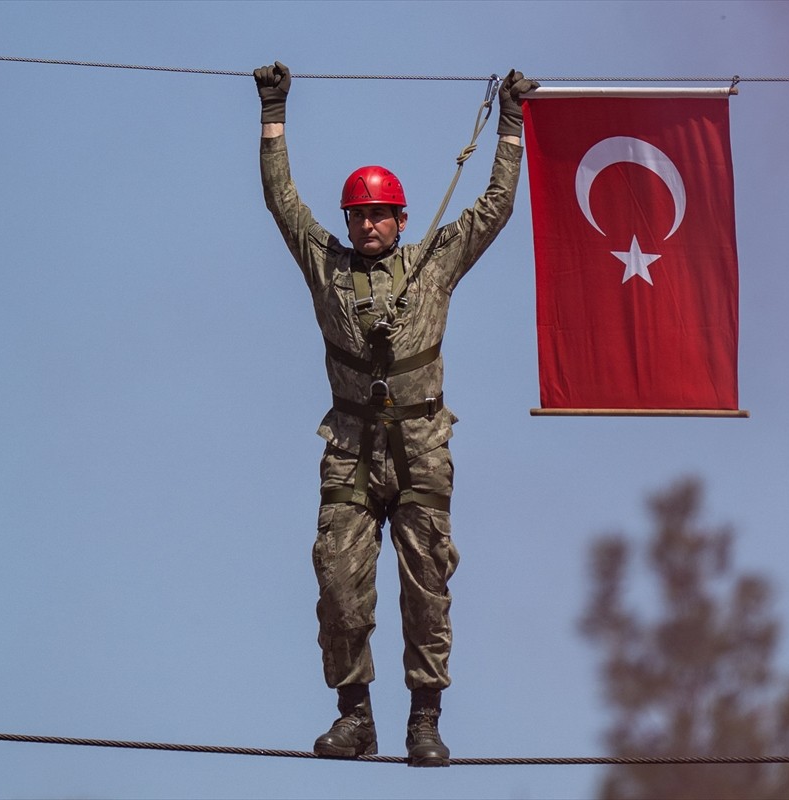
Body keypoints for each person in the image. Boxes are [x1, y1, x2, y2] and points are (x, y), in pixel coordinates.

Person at [253, 61, 537, 767]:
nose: (369, 223)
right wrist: (273, 112)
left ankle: (424, 721)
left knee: (426, 591)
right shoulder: (326, 265)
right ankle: (355, 717)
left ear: (401, 218)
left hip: (419, 452)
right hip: (350, 451)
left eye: (380, 213)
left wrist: (510, 123)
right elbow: (281, 199)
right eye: (359, 214)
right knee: (339, 588)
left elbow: (493, 207)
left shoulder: (433, 263)